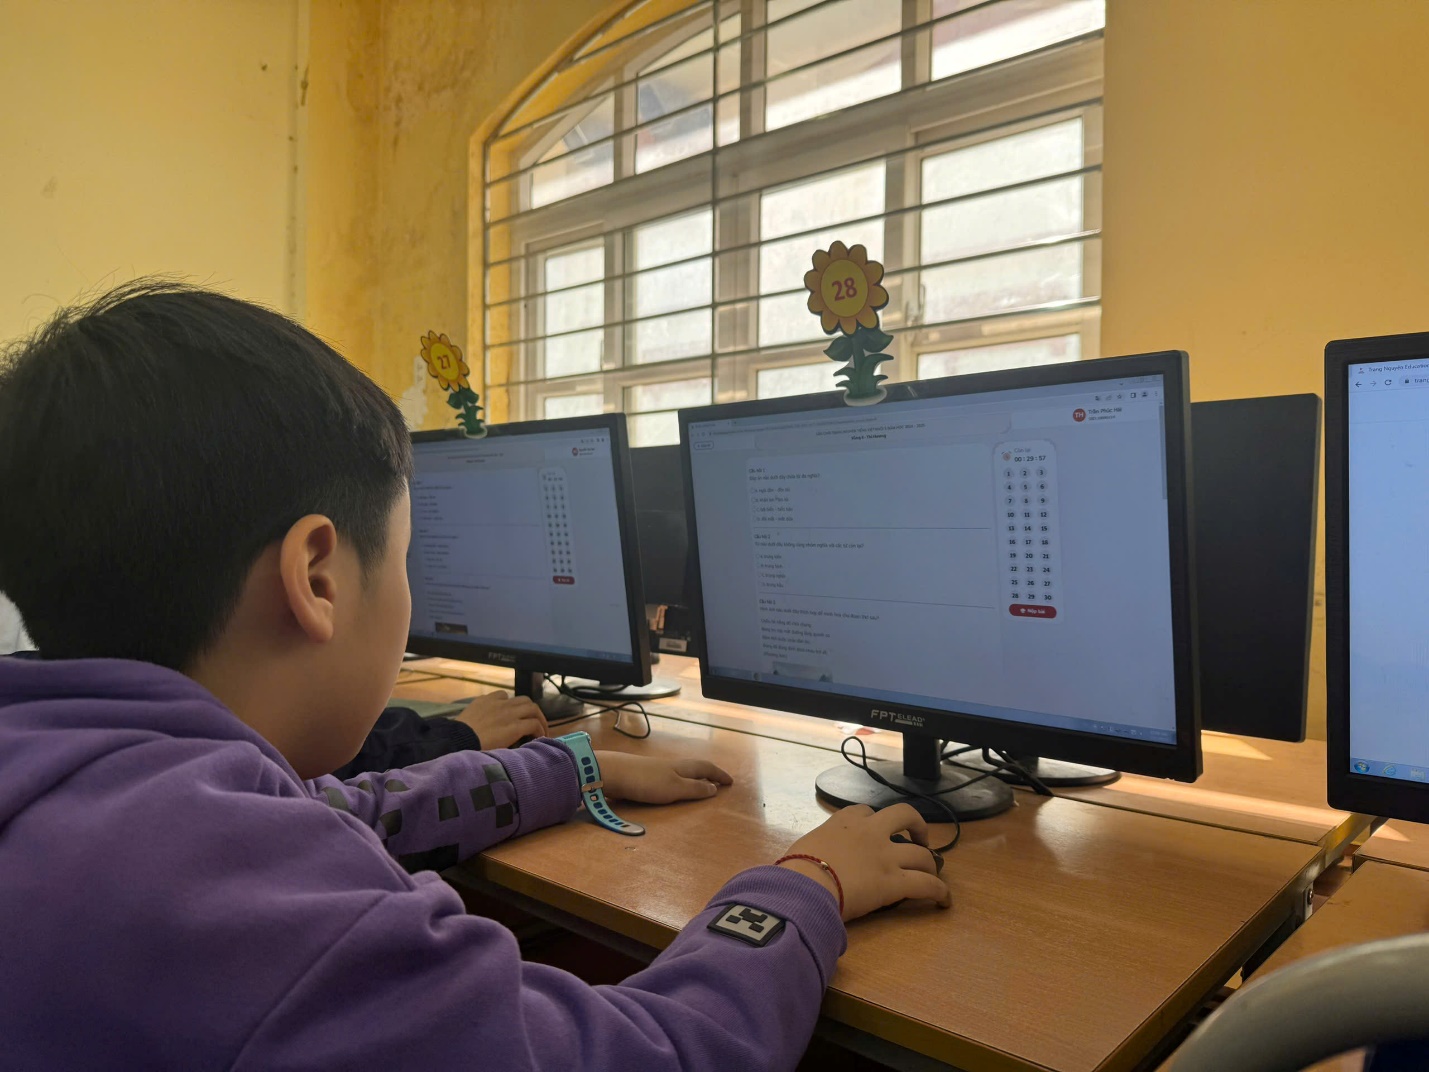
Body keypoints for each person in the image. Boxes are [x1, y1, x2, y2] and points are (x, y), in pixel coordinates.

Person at [0, 281, 951, 1071]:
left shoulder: (90, 785)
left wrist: (569, 767)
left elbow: (347, 811)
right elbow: (656, 1055)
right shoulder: (236, 909)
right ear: (318, 577)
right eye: (406, 554)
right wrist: (804, 884)